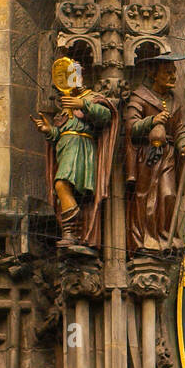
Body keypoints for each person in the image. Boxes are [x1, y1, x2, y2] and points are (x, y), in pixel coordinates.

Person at [32, 57, 117, 250]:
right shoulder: (64, 107)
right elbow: (60, 132)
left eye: (73, 76)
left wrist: (82, 104)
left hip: (81, 149)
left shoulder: (90, 98)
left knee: (61, 184)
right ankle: (71, 231)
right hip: (65, 148)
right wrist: (48, 130)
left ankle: (73, 227)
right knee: (62, 187)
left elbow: (105, 117)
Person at [125, 53, 185, 256]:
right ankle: (147, 238)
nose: (173, 76)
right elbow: (131, 127)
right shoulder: (139, 97)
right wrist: (152, 121)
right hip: (148, 156)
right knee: (147, 197)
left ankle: (167, 236)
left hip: (168, 156)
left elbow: (179, 128)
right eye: (168, 72)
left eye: (174, 72)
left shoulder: (172, 101)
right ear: (154, 74)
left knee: (168, 195)